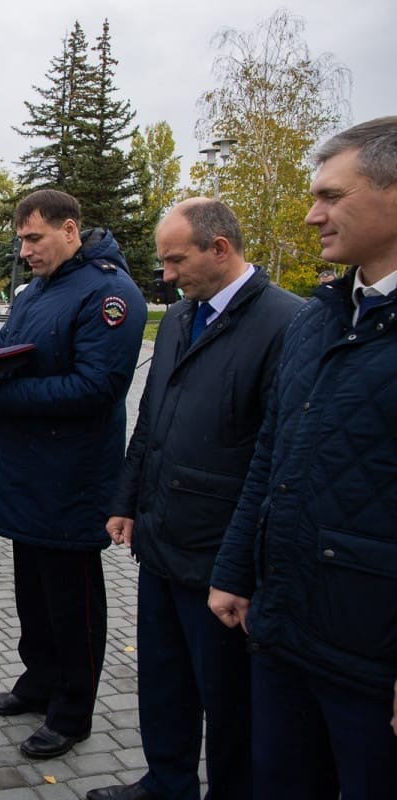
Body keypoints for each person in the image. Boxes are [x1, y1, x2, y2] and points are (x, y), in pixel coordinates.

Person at [86, 199, 302, 800]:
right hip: (160, 536)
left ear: (220, 249)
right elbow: (151, 419)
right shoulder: (183, 318)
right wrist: (126, 499)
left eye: (176, 260)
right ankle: (167, 780)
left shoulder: (286, 323)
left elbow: (276, 451)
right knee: (163, 680)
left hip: (221, 552)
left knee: (227, 696)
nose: (168, 275)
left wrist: (243, 561)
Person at [208, 116, 397, 799]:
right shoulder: (319, 319)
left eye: (332, 196)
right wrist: (234, 571)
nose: (312, 215)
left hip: (371, 659)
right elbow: (271, 457)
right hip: (284, 629)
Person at [0, 189, 146, 759]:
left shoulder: (110, 292)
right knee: (33, 595)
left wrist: (1, 397)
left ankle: (73, 710)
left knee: (72, 602)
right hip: (28, 470)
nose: (26, 250)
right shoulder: (41, 288)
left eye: (34, 238)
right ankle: (38, 681)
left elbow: (99, 387)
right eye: (21, 240)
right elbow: (20, 354)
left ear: (69, 229)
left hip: (71, 477)